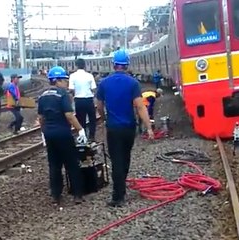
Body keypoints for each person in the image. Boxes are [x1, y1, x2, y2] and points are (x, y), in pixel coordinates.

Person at [96, 49, 154, 207]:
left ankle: (118, 196)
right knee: (125, 157)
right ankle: (121, 187)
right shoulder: (133, 83)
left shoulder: (104, 83)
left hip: (113, 128)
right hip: (128, 127)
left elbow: (99, 105)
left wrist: (104, 117)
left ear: (114, 65)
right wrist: (148, 127)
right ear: (127, 65)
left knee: (116, 160)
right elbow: (140, 107)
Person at [38, 66, 88, 205]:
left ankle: (56, 195)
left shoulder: (42, 96)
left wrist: (44, 132)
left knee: (54, 165)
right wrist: (80, 130)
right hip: (63, 133)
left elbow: (41, 118)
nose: (66, 83)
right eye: (65, 80)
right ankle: (77, 194)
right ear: (58, 81)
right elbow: (69, 115)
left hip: (49, 134)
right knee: (72, 164)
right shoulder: (62, 94)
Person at [69, 58, 97, 142]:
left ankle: (83, 136)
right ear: (84, 65)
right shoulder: (89, 75)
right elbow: (93, 88)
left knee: (81, 119)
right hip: (89, 99)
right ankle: (92, 136)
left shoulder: (72, 76)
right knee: (92, 119)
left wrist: (75, 94)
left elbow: (71, 89)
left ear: (76, 65)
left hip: (78, 100)